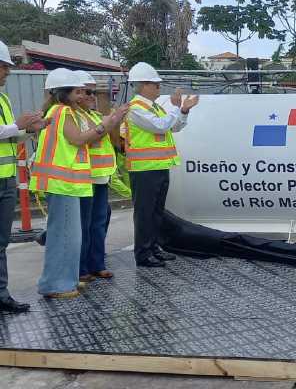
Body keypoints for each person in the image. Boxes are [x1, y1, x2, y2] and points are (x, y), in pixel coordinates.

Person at [30, 68, 126, 298]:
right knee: (64, 236)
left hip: (67, 183)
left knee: (69, 235)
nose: (83, 96)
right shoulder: (62, 112)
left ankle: (66, 280)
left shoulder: (61, 111)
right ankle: (56, 284)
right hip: (62, 183)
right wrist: (108, 123)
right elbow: (79, 139)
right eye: (78, 91)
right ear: (64, 93)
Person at [124, 62, 198, 268]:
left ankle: (154, 247)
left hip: (158, 166)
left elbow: (174, 127)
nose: (159, 87)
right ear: (143, 85)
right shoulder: (135, 109)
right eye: (156, 84)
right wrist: (175, 108)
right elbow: (161, 126)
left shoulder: (153, 107)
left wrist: (183, 111)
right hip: (144, 169)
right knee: (145, 213)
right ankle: (143, 253)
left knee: (156, 212)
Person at [0, 39, 45, 312]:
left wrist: (29, 129)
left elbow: (7, 132)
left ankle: (1, 295)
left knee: (0, 243)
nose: (8, 72)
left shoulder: (3, 98)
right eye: (3, 66)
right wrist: (17, 125)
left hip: (5, 182)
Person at [74, 70, 117, 282]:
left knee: (98, 223)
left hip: (100, 177)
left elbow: (113, 142)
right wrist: (106, 124)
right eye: (88, 92)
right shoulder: (74, 116)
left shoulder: (94, 115)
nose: (92, 96)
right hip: (83, 178)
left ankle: (96, 264)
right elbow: (83, 140)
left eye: (94, 93)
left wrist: (113, 120)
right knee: (84, 225)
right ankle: (81, 268)